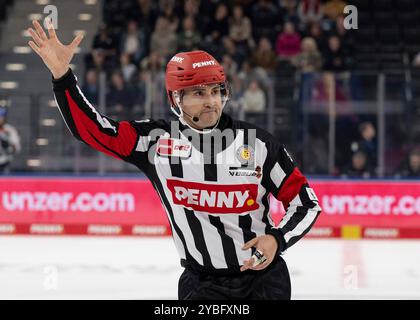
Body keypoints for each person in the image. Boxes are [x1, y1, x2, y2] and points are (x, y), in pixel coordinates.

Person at [27, 19, 321, 300]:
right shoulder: (156, 142)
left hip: (264, 284)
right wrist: (63, 77)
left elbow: (306, 204)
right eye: (197, 92)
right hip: (200, 284)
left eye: (216, 91)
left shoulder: (259, 145)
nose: (211, 100)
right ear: (174, 100)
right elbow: (94, 131)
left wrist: (276, 240)